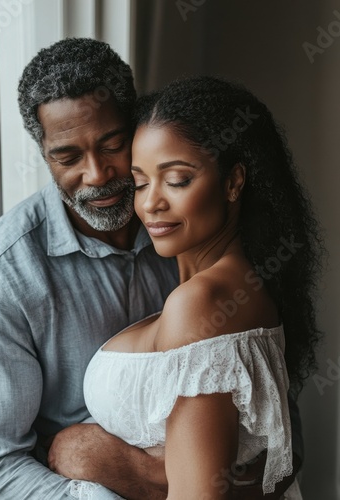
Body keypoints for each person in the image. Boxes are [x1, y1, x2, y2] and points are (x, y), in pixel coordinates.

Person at [0, 37, 304, 499]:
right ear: (43, 154)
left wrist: (109, 463)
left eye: (113, 146)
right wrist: (98, 491)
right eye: (67, 157)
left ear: (137, 130)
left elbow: (275, 440)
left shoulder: (185, 233)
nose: (98, 174)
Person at [49, 76, 323, 499]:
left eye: (176, 180)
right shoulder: (231, 286)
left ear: (233, 182)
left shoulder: (201, 303)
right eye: (140, 183)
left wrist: (101, 459)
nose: (150, 203)